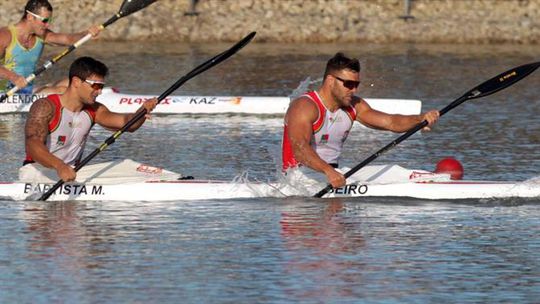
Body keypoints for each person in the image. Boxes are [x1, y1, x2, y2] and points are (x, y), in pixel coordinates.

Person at [282, 52, 440, 188]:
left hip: (334, 174)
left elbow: (391, 122)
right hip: (301, 178)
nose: (354, 90)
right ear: (330, 81)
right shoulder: (304, 106)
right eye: (349, 84)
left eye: (356, 84)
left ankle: (437, 182)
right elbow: (300, 150)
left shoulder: (354, 106)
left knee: (395, 171)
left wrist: (419, 119)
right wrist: (328, 171)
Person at [20, 56, 158, 182]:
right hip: (37, 172)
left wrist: (141, 112)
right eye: (96, 85)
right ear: (76, 82)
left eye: (102, 86)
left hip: (72, 173)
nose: (100, 91)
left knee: (126, 166)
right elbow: (32, 144)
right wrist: (60, 166)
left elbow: (128, 124)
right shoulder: (45, 106)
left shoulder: (94, 110)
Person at [0, 0, 101, 95]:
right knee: (63, 90)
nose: (47, 25)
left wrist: (87, 33)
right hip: (6, 91)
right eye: (44, 20)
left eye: (50, 20)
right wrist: (13, 77)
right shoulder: (5, 35)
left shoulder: (41, 35)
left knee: (76, 82)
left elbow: (68, 39)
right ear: (30, 17)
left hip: (27, 89)